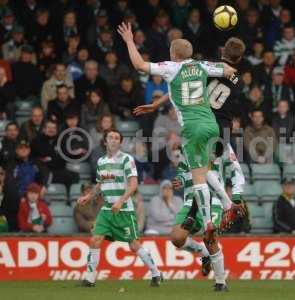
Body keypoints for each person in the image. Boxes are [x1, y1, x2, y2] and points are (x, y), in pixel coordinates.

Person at [118, 22, 235, 291]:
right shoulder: (203, 66)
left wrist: (128, 41)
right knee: (203, 176)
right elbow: (228, 71)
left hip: (192, 128)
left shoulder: (172, 67)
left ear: (174, 54)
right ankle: (218, 213)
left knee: (198, 180)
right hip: (210, 125)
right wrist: (230, 68)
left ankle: (212, 218)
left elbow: (139, 65)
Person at [78, 129, 162, 287]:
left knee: (133, 245)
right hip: (107, 209)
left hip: (124, 210)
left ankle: (156, 272)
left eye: (117, 138)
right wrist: (88, 197)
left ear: (120, 142)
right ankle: (89, 278)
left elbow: (134, 184)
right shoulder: (101, 161)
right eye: (111, 137)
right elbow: (100, 184)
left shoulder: (126, 159)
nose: (114, 140)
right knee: (95, 240)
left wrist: (121, 201)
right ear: (105, 142)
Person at [170, 148, 225, 290]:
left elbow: (208, 171)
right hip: (190, 200)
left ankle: (220, 282)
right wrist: (180, 180)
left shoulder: (215, 147)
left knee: (210, 239)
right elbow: (182, 173)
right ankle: (203, 252)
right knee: (177, 238)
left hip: (213, 201)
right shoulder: (186, 152)